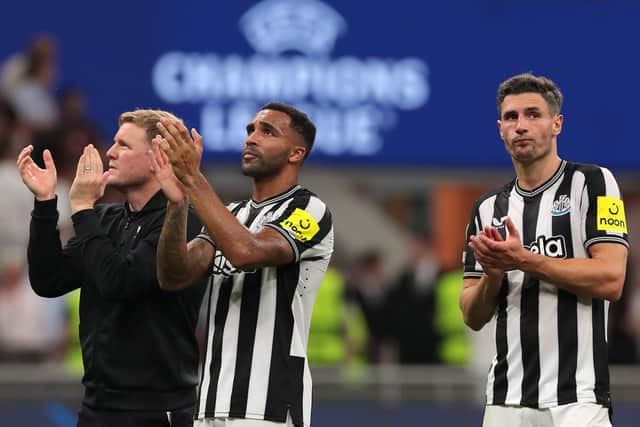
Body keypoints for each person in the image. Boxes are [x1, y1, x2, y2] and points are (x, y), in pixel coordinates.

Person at [17, 109, 207, 427]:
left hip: (157, 411)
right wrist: (47, 203)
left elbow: (120, 282)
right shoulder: (105, 219)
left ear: (156, 157)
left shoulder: (182, 222)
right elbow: (48, 281)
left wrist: (81, 208)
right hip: (96, 407)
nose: (110, 152)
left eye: (124, 145)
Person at [150, 102, 334, 427]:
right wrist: (177, 204)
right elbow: (174, 275)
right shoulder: (231, 214)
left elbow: (246, 251)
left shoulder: (311, 210)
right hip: (209, 404)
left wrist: (193, 179)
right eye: (250, 130)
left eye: (267, 131)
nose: (251, 138)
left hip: (269, 407)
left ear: (296, 154)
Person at [460, 73, 628, 427]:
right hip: (505, 401)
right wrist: (493, 277)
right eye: (511, 117)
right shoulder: (486, 208)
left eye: (533, 114)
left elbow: (611, 280)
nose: (521, 126)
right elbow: (472, 316)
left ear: (557, 124)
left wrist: (523, 259)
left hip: (578, 400)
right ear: (500, 128)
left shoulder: (593, 183)